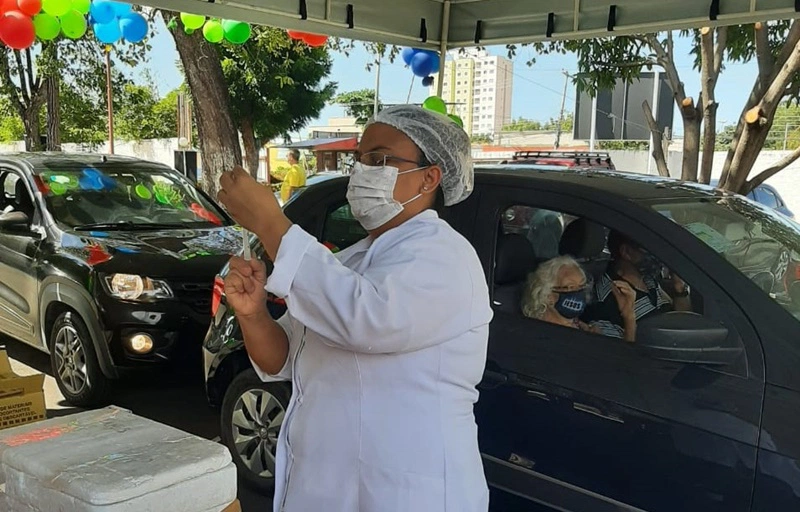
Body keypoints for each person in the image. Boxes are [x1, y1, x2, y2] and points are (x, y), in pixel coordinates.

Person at [217, 105, 492, 512]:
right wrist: (253, 313)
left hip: (408, 493)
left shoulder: (445, 256)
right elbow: (280, 359)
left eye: (379, 159)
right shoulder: (352, 261)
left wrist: (272, 224)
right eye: (360, 159)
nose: (363, 170)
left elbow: (367, 323)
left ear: (430, 176)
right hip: (330, 488)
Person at [583, 230, 691, 339]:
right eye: (648, 249)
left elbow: (685, 322)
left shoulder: (647, 279)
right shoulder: (607, 302)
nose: (656, 254)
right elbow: (620, 352)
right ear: (626, 252)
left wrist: (679, 286)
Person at [521, 256, 637, 341]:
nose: (578, 293)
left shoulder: (573, 324)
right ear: (548, 295)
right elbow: (623, 368)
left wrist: (628, 315)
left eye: (581, 286)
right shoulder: (549, 336)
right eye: (570, 287)